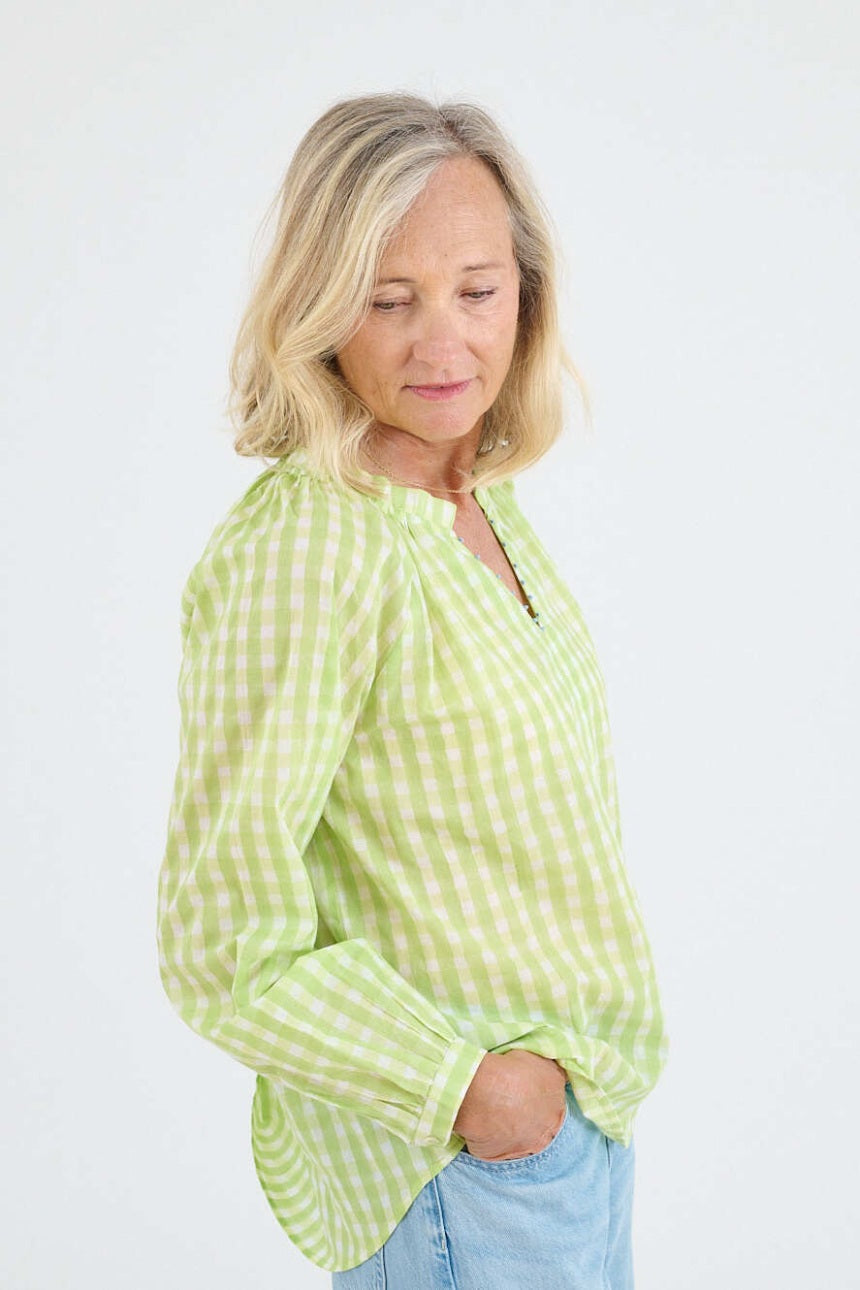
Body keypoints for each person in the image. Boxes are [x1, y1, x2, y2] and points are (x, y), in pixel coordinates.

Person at [156, 92, 668, 1289]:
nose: (441, 343)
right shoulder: (312, 546)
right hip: (459, 1167)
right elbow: (219, 938)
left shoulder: (472, 502)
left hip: (569, 1141)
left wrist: (552, 1115)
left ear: (524, 297)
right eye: (388, 300)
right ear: (320, 311)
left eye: (475, 291)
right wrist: (470, 1095)